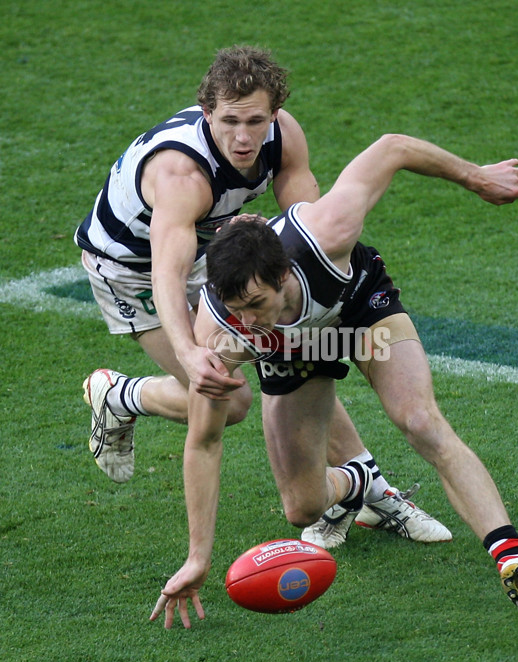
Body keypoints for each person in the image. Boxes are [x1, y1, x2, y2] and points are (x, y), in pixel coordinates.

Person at [149, 133, 518, 630]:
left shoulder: (326, 231)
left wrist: (475, 175)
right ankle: (361, 482)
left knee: (421, 420)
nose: (248, 321)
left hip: (359, 312)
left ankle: (510, 556)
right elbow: (204, 441)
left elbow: (390, 148)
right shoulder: (224, 337)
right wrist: (197, 558)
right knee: (302, 509)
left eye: (256, 305)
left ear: (282, 276)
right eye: (235, 310)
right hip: (294, 352)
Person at [75, 45, 450, 546]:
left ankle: (371, 496)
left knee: (294, 349)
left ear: (274, 113)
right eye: (230, 121)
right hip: (134, 269)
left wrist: (314, 297)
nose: (244, 137)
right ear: (207, 112)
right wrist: (190, 353)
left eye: (255, 121)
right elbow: (167, 271)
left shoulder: (281, 136)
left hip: (216, 249)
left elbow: (305, 223)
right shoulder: (181, 175)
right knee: (227, 402)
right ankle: (119, 395)